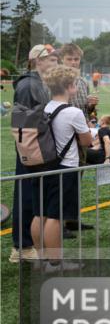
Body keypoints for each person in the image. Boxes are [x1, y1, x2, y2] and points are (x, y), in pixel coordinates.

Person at [33, 65, 92, 272]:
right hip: (65, 168)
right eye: (75, 83)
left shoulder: (45, 107)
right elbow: (86, 141)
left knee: (39, 214)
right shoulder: (73, 112)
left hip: (43, 166)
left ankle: (40, 258)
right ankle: (55, 263)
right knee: (55, 217)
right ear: (69, 86)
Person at [9, 44, 57, 263]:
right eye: (51, 58)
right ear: (38, 60)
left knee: (35, 198)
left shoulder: (38, 83)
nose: (55, 62)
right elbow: (24, 126)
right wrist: (31, 155)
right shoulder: (29, 85)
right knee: (27, 197)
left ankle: (28, 243)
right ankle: (22, 246)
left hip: (39, 148)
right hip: (32, 150)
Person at [59, 44, 99, 122]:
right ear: (62, 59)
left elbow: (89, 112)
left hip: (83, 128)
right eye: (69, 59)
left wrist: (92, 106)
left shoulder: (84, 82)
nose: (73, 62)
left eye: (76, 59)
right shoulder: (55, 81)